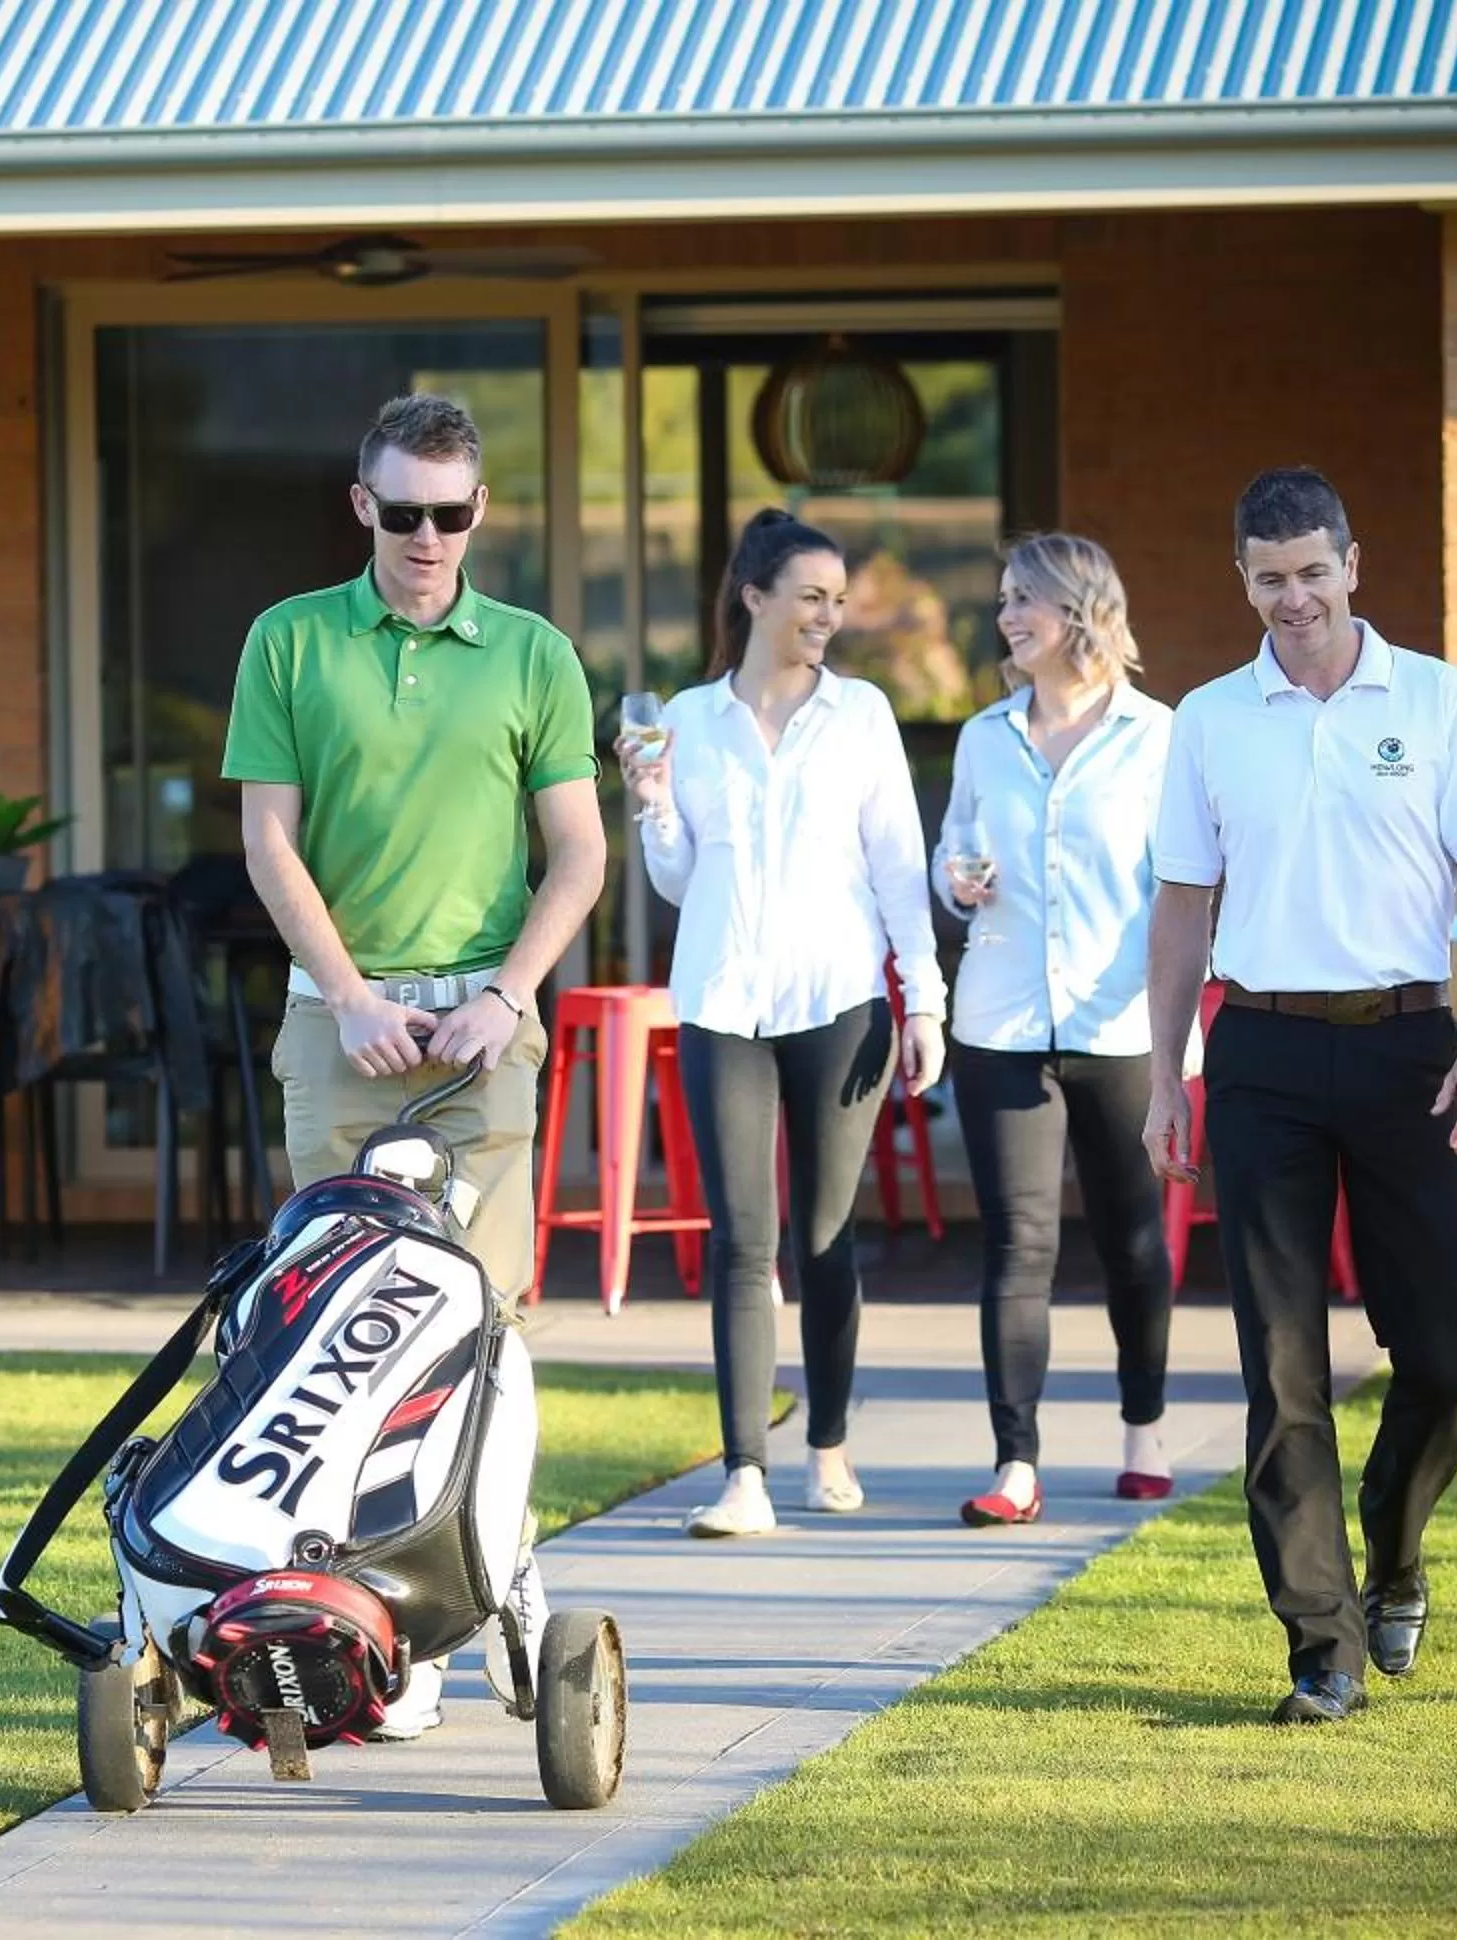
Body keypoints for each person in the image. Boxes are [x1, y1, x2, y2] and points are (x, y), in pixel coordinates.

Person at [224, 391, 606, 1734]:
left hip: (481, 1039)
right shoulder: (288, 643)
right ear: (363, 506)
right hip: (342, 1033)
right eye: (404, 511)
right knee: (329, 1338)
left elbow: (577, 856)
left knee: (481, 1334)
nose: (429, 535)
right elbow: (270, 843)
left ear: (479, 511)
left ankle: (493, 1594)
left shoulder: (534, 655)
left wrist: (507, 995)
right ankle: (366, 1622)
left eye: (452, 512)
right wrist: (346, 997)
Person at [1143, 466, 1457, 1726]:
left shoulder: (1436, 697)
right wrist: (1168, 1077)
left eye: (1314, 570)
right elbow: (1183, 907)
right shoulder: (1209, 716)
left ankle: (1394, 1551)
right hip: (1259, 1054)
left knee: (1445, 1355)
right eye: (1270, 577)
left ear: (1353, 563)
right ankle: (1322, 1644)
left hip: (1414, 1051)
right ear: (1242, 580)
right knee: (1281, 1367)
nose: (1294, 596)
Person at [623, 509, 948, 1539]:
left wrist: (924, 995)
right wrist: (650, 802)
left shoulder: (859, 716)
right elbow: (679, 876)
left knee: (823, 1236)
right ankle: (745, 1472)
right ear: (754, 596)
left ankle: (830, 1443)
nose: (829, 615)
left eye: (837, 599)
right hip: (723, 998)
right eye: (811, 595)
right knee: (740, 1240)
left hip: (839, 1001)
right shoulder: (687, 716)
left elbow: (901, 867)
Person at [936, 533, 1176, 1529]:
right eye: (1002, 600)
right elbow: (953, 845)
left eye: (1021, 600)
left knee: (1131, 1237)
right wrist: (956, 878)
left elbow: (1183, 887)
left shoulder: (1158, 736)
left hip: (1121, 1023)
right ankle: (1017, 1461)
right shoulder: (986, 735)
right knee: (1019, 1243)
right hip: (1000, 1019)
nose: (1005, 617)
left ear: (1078, 610)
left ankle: (1144, 1428)